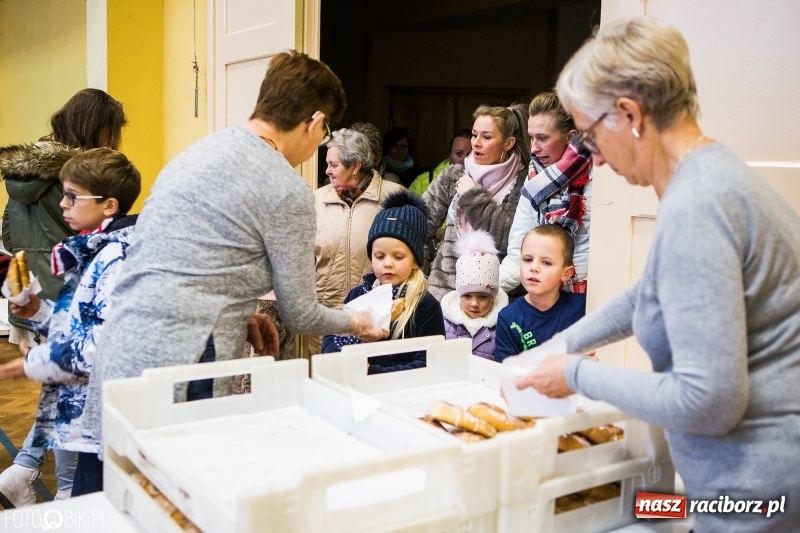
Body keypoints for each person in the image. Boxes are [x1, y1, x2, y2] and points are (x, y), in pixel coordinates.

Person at [515, 17, 800, 532]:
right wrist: (560, 347)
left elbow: (707, 401)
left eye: (591, 136)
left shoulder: (697, 205)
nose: (592, 159)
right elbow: (652, 292)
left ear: (630, 114)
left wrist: (574, 374)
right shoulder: (713, 174)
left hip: (753, 495)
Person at [83, 51, 386, 475]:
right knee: (175, 497)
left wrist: (241, 312)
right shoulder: (287, 189)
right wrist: (358, 321)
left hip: (123, 348)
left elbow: (190, 264)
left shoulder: (198, 153)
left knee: (110, 496)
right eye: (325, 131)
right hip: (187, 364)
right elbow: (300, 313)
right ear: (315, 122)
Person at [0, 88, 126, 507]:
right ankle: (62, 491)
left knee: (61, 389)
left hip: (33, 295)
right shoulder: (78, 175)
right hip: (66, 298)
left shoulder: (22, 176)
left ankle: (28, 467)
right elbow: (88, 236)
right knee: (74, 396)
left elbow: (8, 234)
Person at [322, 191, 445, 373]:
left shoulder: (425, 306)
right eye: (379, 256)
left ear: (415, 262)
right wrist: (343, 360)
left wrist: (372, 372)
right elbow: (330, 340)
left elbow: (429, 361)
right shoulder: (357, 295)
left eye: (398, 256)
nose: (387, 263)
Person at [310, 128, 405, 354]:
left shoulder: (394, 198)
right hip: (327, 320)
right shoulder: (315, 201)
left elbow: (411, 260)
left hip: (376, 321)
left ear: (355, 166)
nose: (327, 171)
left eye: (334, 165)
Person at [423, 104, 530, 300]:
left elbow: (508, 239)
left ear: (508, 143)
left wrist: (473, 196)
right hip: (446, 294)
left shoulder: (524, 183)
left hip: (495, 298)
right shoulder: (454, 174)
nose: (476, 143)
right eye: (474, 135)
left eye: (486, 137)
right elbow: (419, 224)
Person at [499, 92, 593, 295]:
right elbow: (518, 251)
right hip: (548, 295)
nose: (533, 149)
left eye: (542, 138)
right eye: (531, 137)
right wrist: (487, 290)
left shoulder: (599, 173)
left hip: (590, 293)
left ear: (570, 137)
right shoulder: (535, 177)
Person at [495, 225, 585, 362]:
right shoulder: (508, 318)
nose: (534, 268)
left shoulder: (583, 307)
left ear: (566, 273)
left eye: (546, 262)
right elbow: (506, 374)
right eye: (527, 259)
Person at [440, 230, 508, 360]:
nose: (474, 303)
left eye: (482, 297)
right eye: (467, 296)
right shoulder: (445, 324)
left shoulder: (502, 326)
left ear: (492, 297)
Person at [408, 129, 472, 197]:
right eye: (458, 154)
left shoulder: (482, 182)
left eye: (470, 155)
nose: (464, 160)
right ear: (449, 155)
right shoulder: (424, 180)